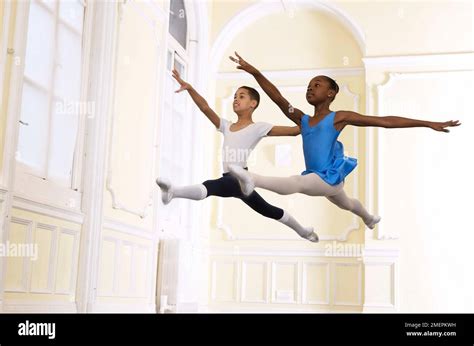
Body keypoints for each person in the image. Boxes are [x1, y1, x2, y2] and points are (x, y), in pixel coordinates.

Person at [228, 52, 461, 229]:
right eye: (309, 86)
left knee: (296, 182)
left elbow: (383, 121)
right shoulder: (303, 119)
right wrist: (255, 73)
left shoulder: (338, 118)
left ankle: (252, 178)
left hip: (324, 179)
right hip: (324, 180)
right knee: (347, 204)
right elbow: (277, 97)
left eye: (317, 85)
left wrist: (427, 123)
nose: (310, 88)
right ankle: (369, 218)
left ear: (330, 93)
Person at [156, 68, 319, 242]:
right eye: (234, 97)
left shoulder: (258, 127)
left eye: (241, 96)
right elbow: (205, 108)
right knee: (268, 209)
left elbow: (294, 131)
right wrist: (189, 88)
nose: (236, 100)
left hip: (237, 178)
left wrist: (317, 122)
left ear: (253, 104)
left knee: (212, 186)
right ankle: (303, 231)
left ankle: (175, 191)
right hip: (231, 179)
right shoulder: (226, 126)